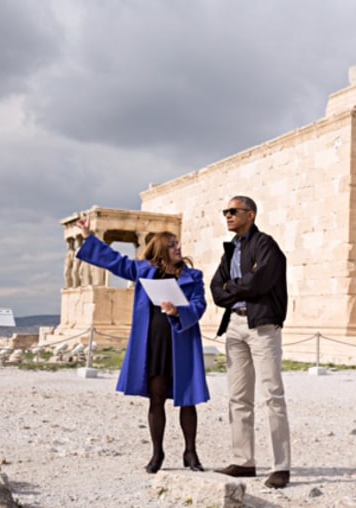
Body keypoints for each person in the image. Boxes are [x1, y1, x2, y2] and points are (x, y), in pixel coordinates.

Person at [75, 216, 209, 474]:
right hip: (154, 344)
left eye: (178, 243)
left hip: (182, 342)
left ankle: (190, 451)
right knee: (156, 398)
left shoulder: (193, 276)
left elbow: (199, 305)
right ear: (160, 250)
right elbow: (115, 261)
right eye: (172, 245)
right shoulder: (144, 271)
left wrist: (179, 311)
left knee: (187, 399)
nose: (179, 247)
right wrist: (89, 237)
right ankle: (157, 453)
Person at [210, 195, 291, 489]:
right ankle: (244, 461)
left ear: (251, 215)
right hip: (234, 326)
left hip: (262, 326)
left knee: (273, 395)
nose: (228, 216)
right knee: (238, 396)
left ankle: (281, 466)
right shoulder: (230, 250)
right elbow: (215, 290)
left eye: (234, 211)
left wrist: (233, 286)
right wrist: (237, 286)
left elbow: (260, 282)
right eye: (226, 212)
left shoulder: (266, 245)